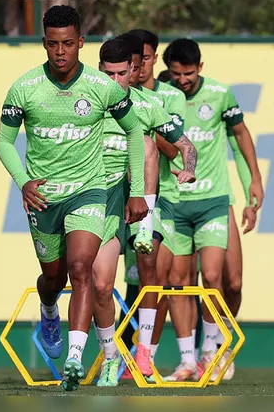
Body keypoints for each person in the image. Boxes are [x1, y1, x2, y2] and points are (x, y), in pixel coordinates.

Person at [0, 4, 149, 392]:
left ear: (80, 42)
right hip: (44, 198)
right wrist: (23, 181)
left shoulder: (102, 87)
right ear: (43, 44)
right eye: (51, 44)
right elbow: (4, 142)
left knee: (82, 269)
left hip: (89, 191)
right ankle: (49, 310)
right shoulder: (24, 88)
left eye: (67, 43)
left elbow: (134, 133)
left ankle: (76, 359)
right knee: (54, 276)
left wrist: (135, 193)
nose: (59, 52)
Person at [92, 36, 197, 386]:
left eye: (125, 72)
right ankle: (105, 353)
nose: (118, 80)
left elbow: (186, 146)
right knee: (96, 280)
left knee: (150, 266)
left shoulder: (149, 105)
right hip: (99, 198)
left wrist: (189, 167)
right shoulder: (85, 104)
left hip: (146, 199)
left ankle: (145, 351)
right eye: (110, 73)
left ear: (135, 71)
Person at [162, 38, 264, 382]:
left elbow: (240, 134)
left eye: (189, 73)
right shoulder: (162, 94)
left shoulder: (220, 94)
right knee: (178, 281)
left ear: (200, 68)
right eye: (176, 74)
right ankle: (189, 359)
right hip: (174, 204)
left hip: (214, 200)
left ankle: (214, 346)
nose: (183, 80)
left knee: (222, 279)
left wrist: (254, 181)